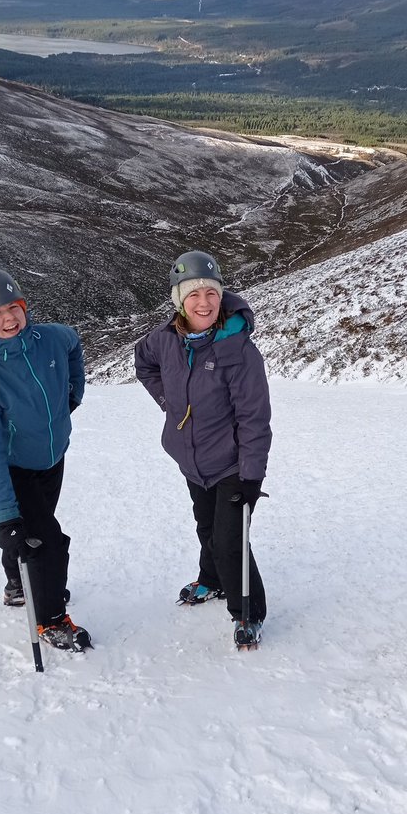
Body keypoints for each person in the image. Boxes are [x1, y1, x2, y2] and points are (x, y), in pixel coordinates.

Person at [134, 250, 271, 648]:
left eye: (211, 292)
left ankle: (248, 613)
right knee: (207, 526)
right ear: (179, 300)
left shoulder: (239, 350)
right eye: (193, 295)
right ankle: (211, 581)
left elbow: (254, 419)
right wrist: (168, 402)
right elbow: (143, 363)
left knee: (231, 542)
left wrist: (252, 475)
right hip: (190, 457)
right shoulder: (164, 340)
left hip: (232, 464)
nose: (204, 302)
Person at [0, 267, 92, 652]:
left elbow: (73, 345)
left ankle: (18, 584)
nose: (8, 318)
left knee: (33, 530)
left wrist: (73, 396)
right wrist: (5, 518)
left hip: (52, 458)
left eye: (13, 307)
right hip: (12, 467)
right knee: (45, 543)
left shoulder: (50, 338)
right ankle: (50, 620)